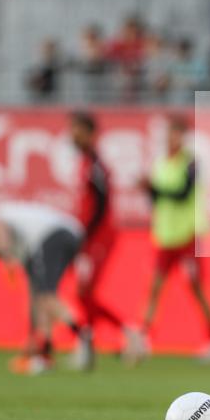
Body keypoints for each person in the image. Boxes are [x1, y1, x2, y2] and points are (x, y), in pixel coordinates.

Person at [137, 116, 210, 363]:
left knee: (196, 288)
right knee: (154, 288)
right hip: (165, 236)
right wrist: (149, 190)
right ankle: (144, 338)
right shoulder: (160, 163)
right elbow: (157, 200)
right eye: (168, 134)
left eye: (175, 134)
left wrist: (152, 188)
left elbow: (182, 194)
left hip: (187, 235)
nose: (170, 139)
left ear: (183, 136)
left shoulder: (192, 163)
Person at [0, 201, 90, 375]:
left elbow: (1, 239)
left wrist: (7, 258)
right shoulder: (25, 243)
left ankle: (82, 335)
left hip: (56, 236)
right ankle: (43, 352)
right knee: (40, 296)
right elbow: (33, 296)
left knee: (46, 296)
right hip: (68, 234)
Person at [69, 111, 139, 369]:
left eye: (76, 130)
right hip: (91, 237)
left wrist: (85, 236)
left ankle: (126, 333)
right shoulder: (87, 162)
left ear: (89, 133)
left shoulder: (95, 165)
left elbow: (101, 203)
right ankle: (90, 344)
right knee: (82, 294)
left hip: (98, 238)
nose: (72, 135)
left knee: (83, 292)